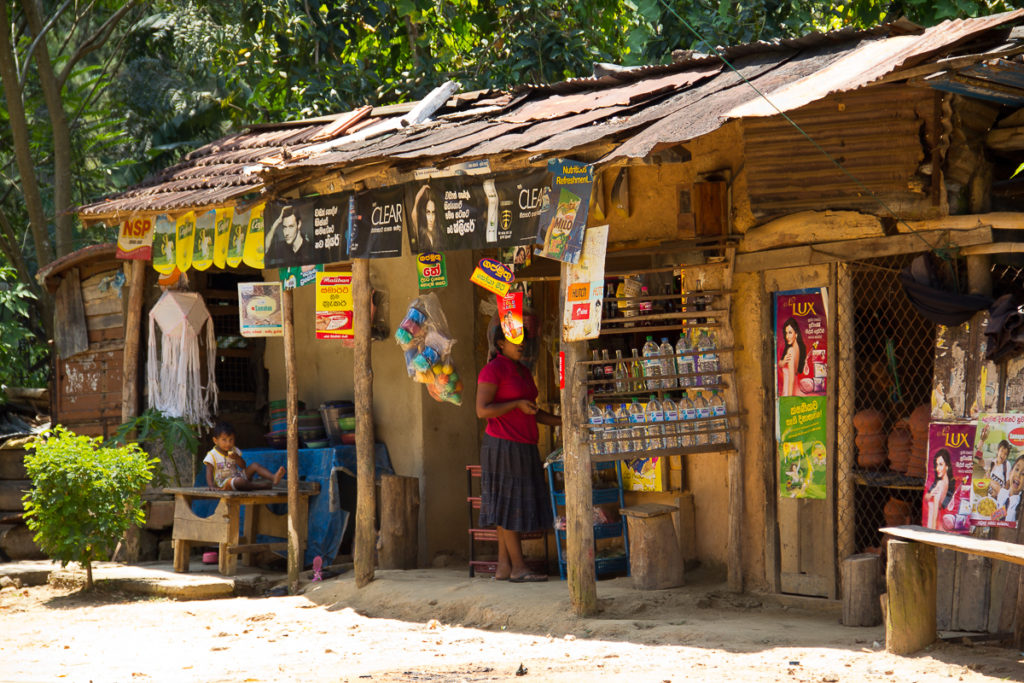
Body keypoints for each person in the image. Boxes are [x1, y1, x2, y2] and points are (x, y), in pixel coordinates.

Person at [475, 322, 560, 582]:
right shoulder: (492, 370)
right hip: (502, 445)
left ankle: (504, 567)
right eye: (515, 339)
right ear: (500, 343)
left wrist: (561, 421)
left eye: (523, 338)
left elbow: (532, 411)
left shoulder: (522, 370)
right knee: (508, 506)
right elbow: (482, 410)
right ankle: (519, 567)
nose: (521, 343)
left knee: (505, 506)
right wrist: (515, 405)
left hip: (524, 443)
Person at [204, 421, 285, 491]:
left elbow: (243, 466)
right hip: (224, 483)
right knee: (239, 482)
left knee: (255, 465)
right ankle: (259, 486)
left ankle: (273, 477)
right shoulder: (212, 455)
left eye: (231, 440)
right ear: (215, 440)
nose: (228, 443)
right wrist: (211, 486)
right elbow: (209, 471)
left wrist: (237, 458)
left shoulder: (234, 450)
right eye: (224, 440)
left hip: (238, 475)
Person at [778, 317, 813, 396]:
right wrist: (783, 361)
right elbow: (780, 364)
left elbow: (791, 379)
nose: (787, 336)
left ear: (796, 334)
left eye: (790, 332)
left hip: (788, 392)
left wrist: (789, 399)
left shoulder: (790, 350)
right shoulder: (799, 348)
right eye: (786, 333)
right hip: (796, 390)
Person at [924, 448, 954, 530]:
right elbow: (927, 497)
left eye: (941, 464)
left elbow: (935, 513)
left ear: (947, 466)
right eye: (936, 464)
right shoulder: (947, 483)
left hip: (933, 527)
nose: (937, 468)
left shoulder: (940, 484)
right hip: (941, 528)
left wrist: (932, 532)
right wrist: (930, 494)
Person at [994, 455, 1024, 523]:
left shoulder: (1020, 506)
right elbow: (995, 518)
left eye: (1023, 474)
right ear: (1010, 473)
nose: (1018, 475)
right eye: (1017, 469)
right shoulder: (1002, 494)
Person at [412, 184, 439, 252]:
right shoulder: (420, 232)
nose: (431, 219)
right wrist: (423, 188)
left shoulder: (436, 234)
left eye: (433, 213)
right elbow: (414, 212)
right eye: (428, 213)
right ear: (423, 213)